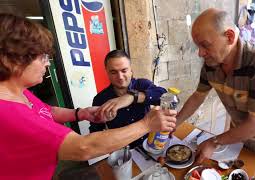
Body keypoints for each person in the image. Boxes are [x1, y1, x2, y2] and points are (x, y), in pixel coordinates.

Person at [0, 13, 177, 179]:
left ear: (131, 70)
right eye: (41, 57)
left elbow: (48, 111)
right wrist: (147, 124)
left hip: (150, 147)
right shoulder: (7, 113)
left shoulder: (22, 94)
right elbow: (84, 147)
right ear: (10, 61)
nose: (47, 63)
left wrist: (81, 113)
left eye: (124, 70)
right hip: (125, 153)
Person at [176, 8, 255, 167]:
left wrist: (214, 142)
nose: (200, 53)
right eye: (198, 46)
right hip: (240, 135)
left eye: (205, 45)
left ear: (229, 36)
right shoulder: (211, 64)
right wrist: (174, 124)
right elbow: (197, 97)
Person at [90, 50, 167, 148]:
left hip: (150, 143)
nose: (120, 77)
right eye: (113, 72)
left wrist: (133, 97)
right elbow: (95, 131)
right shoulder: (100, 99)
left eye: (124, 70)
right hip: (123, 151)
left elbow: (165, 96)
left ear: (131, 70)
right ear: (107, 72)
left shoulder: (142, 84)